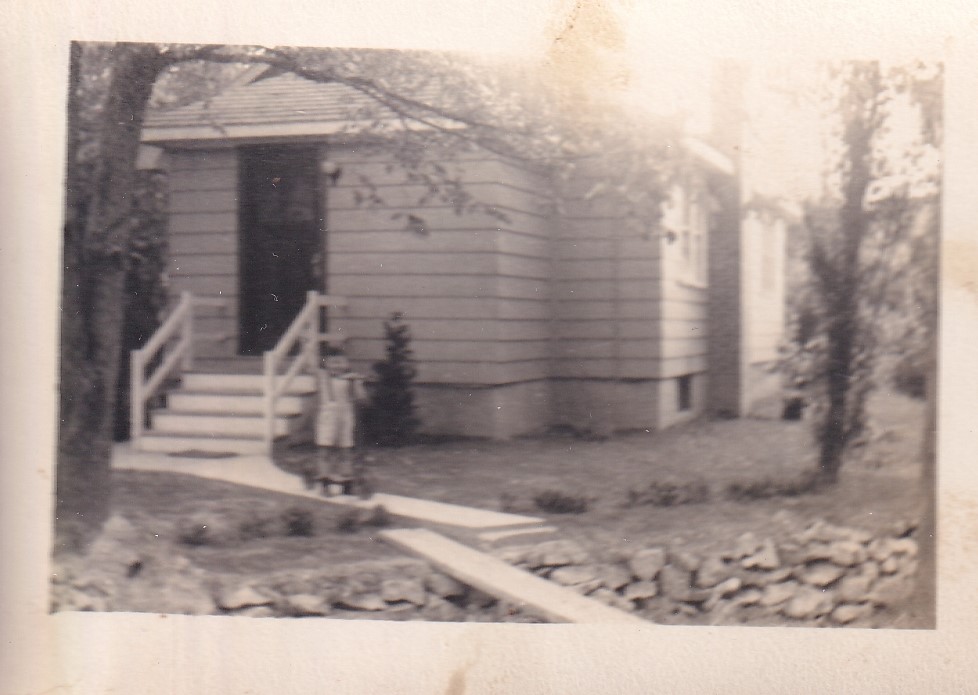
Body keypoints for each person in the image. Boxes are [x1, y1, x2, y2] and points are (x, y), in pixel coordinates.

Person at [313, 347, 368, 496]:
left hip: (345, 418)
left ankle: (346, 484)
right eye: (332, 362)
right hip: (328, 417)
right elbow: (311, 365)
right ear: (325, 364)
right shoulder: (322, 376)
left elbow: (362, 400)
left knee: (346, 451)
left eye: (340, 362)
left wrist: (358, 383)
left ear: (347, 364)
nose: (336, 366)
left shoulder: (350, 380)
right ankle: (324, 484)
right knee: (324, 450)